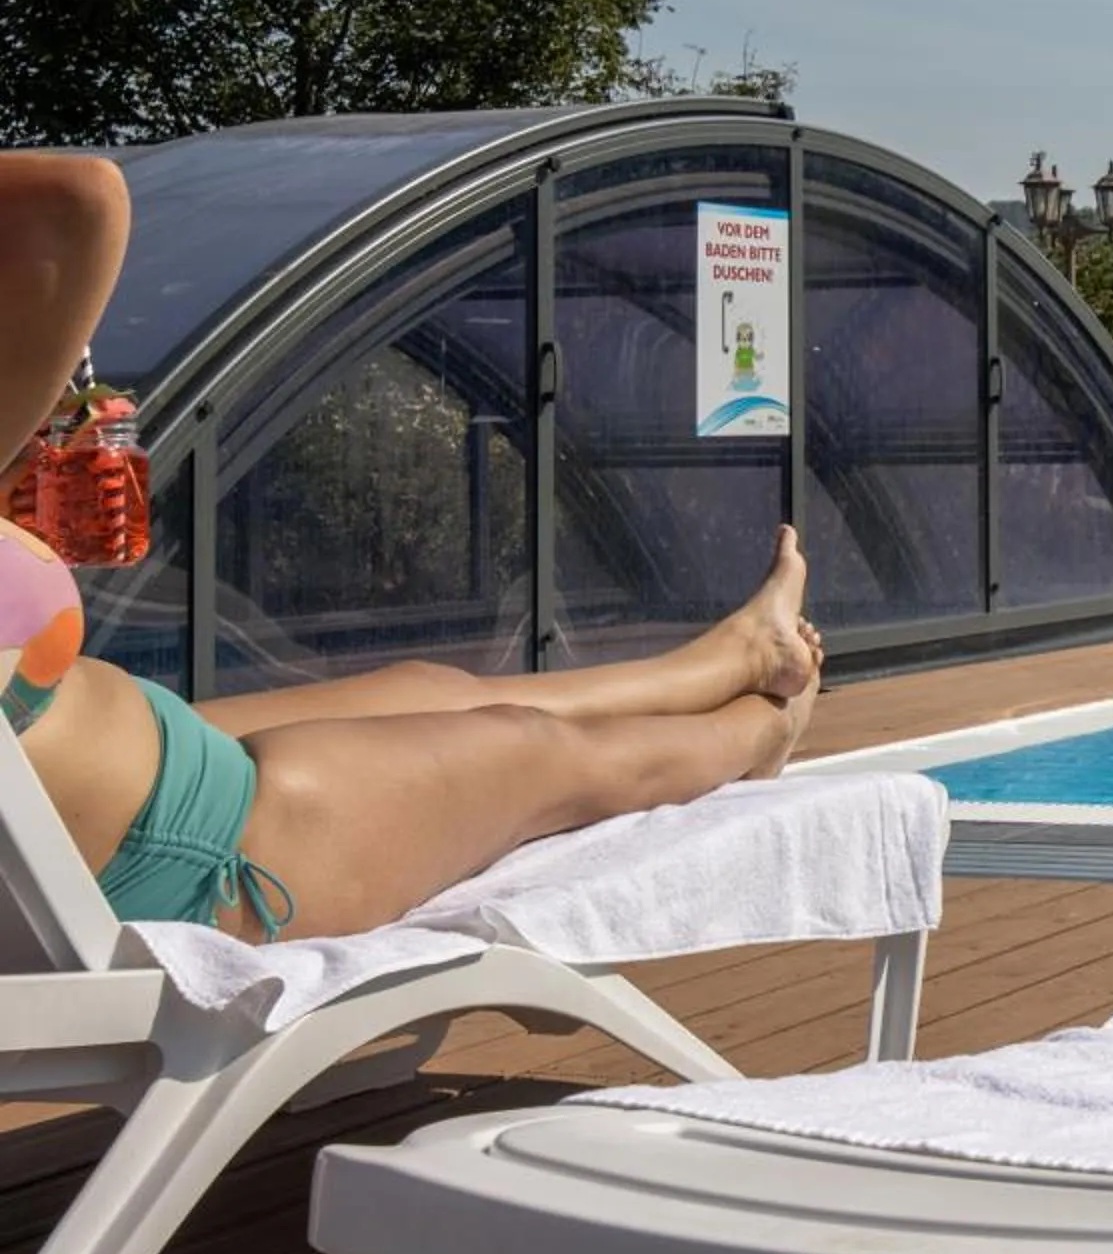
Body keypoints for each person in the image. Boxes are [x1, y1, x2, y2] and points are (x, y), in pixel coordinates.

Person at [0, 152, 825, 945]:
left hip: (154, 752)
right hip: (196, 857)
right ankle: (760, 733)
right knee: (540, 756)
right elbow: (80, 199)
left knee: (429, 689)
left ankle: (740, 652)